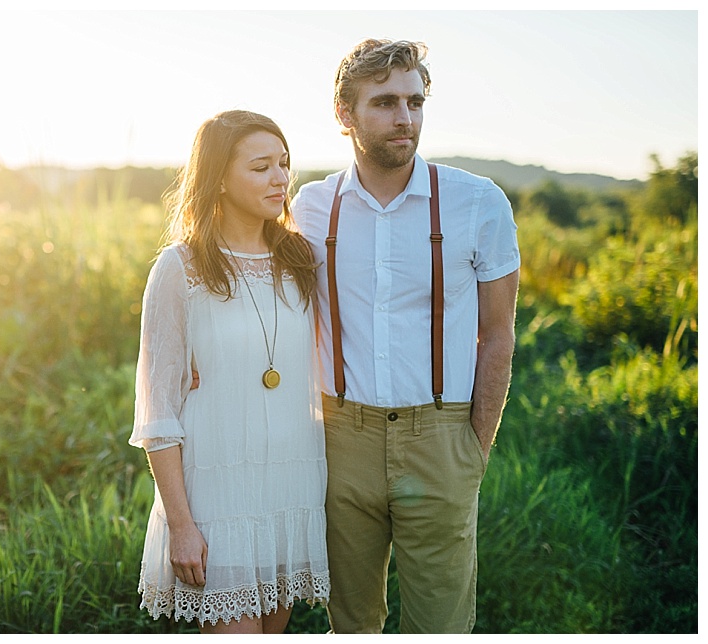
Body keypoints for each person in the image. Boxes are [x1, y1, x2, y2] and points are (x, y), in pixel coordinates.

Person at [290, 39, 521, 633]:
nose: (405, 119)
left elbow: (497, 336)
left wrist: (474, 447)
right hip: (341, 438)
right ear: (345, 115)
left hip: (442, 436)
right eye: (386, 102)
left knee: (440, 624)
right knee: (351, 621)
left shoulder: (478, 202)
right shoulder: (311, 209)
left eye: (415, 102)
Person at [128, 110, 330, 634]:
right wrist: (181, 524)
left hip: (291, 485)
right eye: (261, 167)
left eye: (284, 164)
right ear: (218, 177)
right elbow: (158, 410)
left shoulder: (303, 260)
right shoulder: (181, 267)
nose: (280, 178)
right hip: (218, 494)